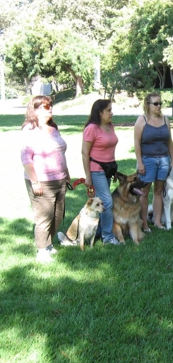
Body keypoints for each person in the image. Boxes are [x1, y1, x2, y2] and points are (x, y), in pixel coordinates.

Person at [21, 95, 70, 263]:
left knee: (57, 215)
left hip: (60, 179)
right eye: (45, 106)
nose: (49, 109)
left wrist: (67, 174)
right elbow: (26, 158)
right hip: (42, 181)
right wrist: (35, 181)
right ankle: (42, 250)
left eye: (50, 106)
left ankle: (48, 244)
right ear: (34, 110)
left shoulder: (53, 128)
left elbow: (60, 153)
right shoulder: (30, 129)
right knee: (44, 216)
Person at [82, 99, 120, 245]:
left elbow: (111, 149)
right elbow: (85, 153)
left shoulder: (110, 126)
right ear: (100, 112)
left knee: (98, 203)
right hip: (96, 170)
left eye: (111, 109)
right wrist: (88, 176)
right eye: (109, 110)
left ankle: (94, 232)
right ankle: (108, 236)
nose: (112, 113)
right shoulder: (92, 128)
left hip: (108, 169)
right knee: (107, 202)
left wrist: (114, 169)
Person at [134, 93, 173, 231]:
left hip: (163, 160)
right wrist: (140, 162)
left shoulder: (165, 120)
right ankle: (144, 223)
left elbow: (169, 142)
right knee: (144, 192)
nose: (159, 106)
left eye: (160, 103)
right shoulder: (142, 120)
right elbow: (137, 143)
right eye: (156, 104)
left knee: (159, 191)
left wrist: (172, 160)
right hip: (147, 160)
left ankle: (157, 221)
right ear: (148, 105)